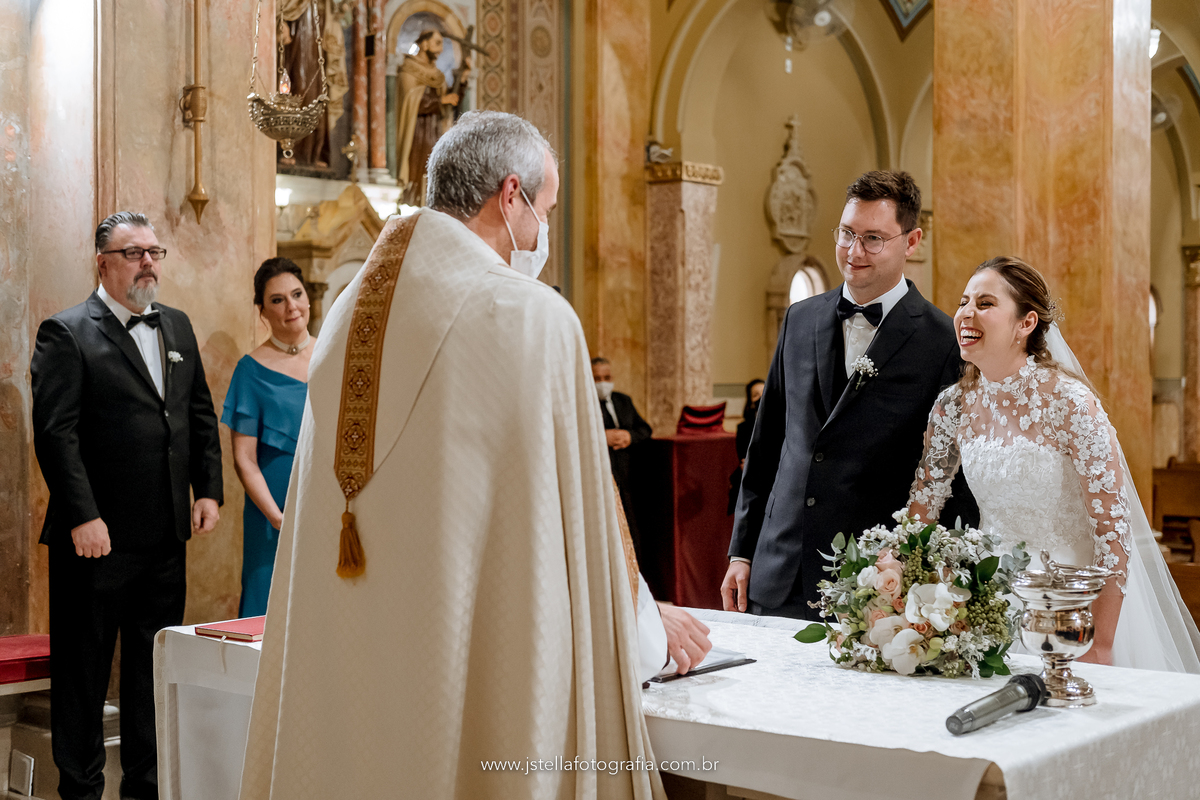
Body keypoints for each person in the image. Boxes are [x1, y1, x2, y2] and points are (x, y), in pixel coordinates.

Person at [239, 110, 707, 800]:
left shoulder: (344, 313)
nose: (545, 231)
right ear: (509, 196)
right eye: (546, 209)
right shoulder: (527, 315)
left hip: (359, 668)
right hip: (472, 664)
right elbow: (569, 521)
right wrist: (643, 631)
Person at [908, 256, 1200, 672]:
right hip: (985, 607)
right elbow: (921, 512)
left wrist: (1100, 640)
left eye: (986, 303)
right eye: (963, 301)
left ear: (1025, 324)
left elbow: (1112, 527)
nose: (966, 313)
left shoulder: (1070, 403)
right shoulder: (952, 405)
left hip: (1072, 605)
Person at [722, 170, 977, 620]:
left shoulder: (943, 341)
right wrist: (741, 551)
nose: (854, 252)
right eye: (847, 234)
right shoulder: (799, 320)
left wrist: (933, 582)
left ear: (912, 240)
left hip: (875, 582)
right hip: (778, 572)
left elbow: (952, 478)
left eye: (873, 238)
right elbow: (767, 448)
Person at [31, 211, 223, 800]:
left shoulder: (179, 327)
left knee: (150, 675)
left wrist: (208, 489)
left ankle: (146, 788)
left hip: (165, 539)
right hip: (97, 542)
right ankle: (81, 792)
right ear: (103, 263)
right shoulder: (66, 332)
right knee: (84, 678)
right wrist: (84, 516)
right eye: (135, 252)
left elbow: (196, 415)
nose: (148, 263)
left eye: (155, 253)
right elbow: (55, 434)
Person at [222, 258, 314, 617]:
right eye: (277, 300)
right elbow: (244, 459)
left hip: (328, 502)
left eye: (297, 294)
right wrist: (278, 517)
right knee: (269, 605)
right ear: (262, 311)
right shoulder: (250, 370)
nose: (291, 306)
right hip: (272, 511)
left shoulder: (335, 355)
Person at [396, 29, 470, 205]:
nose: (441, 49)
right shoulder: (408, 69)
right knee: (417, 167)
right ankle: (413, 200)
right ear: (424, 44)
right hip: (416, 133)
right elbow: (411, 100)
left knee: (434, 169)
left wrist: (462, 80)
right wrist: (441, 99)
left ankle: (430, 201)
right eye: (437, 43)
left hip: (435, 131)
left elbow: (450, 105)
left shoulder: (438, 75)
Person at [728, 379, 764, 515]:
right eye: (756, 395)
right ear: (750, 402)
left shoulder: (781, 424)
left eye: (764, 392)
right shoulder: (743, 428)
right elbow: (744, 460)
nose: (761, 397)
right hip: (752, 479)